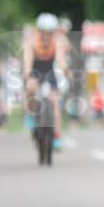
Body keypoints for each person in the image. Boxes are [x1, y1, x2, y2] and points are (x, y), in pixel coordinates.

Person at [23, 14, 70, 149]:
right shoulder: (32, 41)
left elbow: (61, 60)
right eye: (44, 32)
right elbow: (28, 61)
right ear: (39, 31)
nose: (46, 36)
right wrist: (28, 75)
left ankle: (56, 136)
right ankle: (31, 114)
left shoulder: (57, 41)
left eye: (50, 32)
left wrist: (66, 72)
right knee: (31, 87)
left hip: (49, 72)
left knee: (55, 101)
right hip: (35, 69)